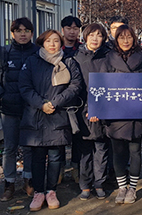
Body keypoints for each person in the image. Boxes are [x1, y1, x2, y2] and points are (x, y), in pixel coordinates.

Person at [18, 30, 82, 211]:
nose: (52, 44)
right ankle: (38, 192)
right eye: (48, 41)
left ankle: (51, 191)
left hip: (58, 114)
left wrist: (55, 102)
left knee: (56, 156)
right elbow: (24, 87)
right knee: (38, 157)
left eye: (56, 41)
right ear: (42, 43)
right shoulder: (31, 61)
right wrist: (41, 104)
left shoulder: (68, 62)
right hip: (36, 115)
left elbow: (75, 85)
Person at [102, 25, 142, 204]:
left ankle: (132, 188)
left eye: (128, 37)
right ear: (116, 39)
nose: (125, 41)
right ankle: (121, 187)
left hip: (136, 114)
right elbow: (102, 86)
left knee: (135, 151)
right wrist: (98, 109)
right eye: (121, 37)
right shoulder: (108, 59)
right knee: (118, 153)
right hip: (115, 115)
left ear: (134, 38)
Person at [0, 17, 39, 202]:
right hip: (9, 109)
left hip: (31, 109)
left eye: (26, 30)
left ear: (32, 33)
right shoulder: (4, 52)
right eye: (18, 30)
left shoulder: (38, 52)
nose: (22, 34)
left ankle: (29, 179)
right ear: (12, 33)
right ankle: (9, 183)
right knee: (9, 147)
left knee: (29, 146)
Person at [73, 23, 110, 201]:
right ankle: (85, 185)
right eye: (92, 35)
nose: (95, 38)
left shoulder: (109, 57)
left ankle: (100, 183)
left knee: (102, 149)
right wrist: (88, 108)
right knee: (85, 150)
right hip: (83, 111)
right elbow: (75, 87)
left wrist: (101, 107)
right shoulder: (76, 57)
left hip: (104, 110)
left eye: (99, 35)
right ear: (85, 36)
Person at [59, 15, 82, 184]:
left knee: (78, 138)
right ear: (62, 30)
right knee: (59, 138)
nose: (72, 31)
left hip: (79, 101)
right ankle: (58, 170)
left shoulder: (82, 50)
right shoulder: (55, 49)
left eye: (75, 28)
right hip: (58, 102)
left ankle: (76, 168)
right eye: (69, 28)